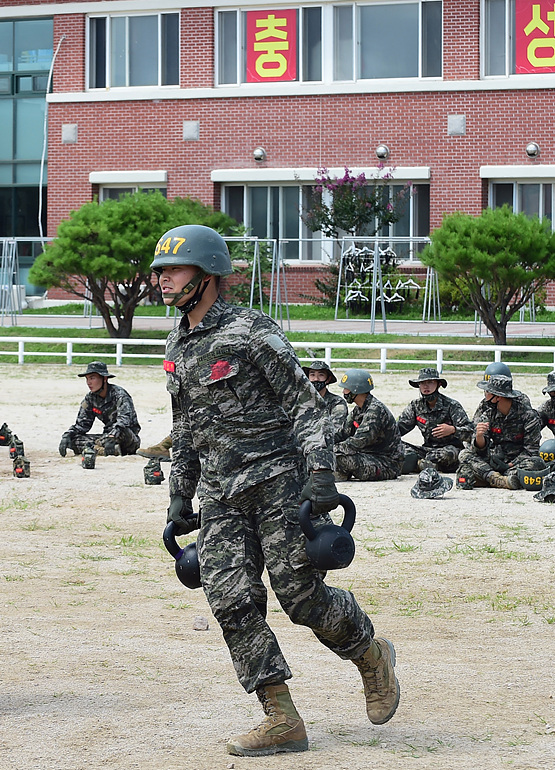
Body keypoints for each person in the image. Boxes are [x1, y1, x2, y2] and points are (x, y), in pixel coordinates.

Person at [155, 224, 398, 757]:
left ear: (207, 277)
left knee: (300, 597)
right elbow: (186, 426)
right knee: (230, 599)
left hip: (278, 483)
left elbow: (305, 407)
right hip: (221, 493)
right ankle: (280, 715)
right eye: (161, 270)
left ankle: (369, 654)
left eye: (174, 269)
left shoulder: (251, 331)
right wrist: (181, 493)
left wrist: (321, 473)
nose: (163, 278)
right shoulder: (176, 343)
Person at [458, 373, 542, 490]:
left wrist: (509, 465)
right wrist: (479, 436)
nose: (485, 397)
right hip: (494, 459)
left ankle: (487, 477)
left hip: (516, 461)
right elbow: (479, 450)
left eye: (488, 393)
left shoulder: (528, 416)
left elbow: (531, 451)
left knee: (537, 463)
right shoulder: (488, 414)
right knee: (464, 455)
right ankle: (495, 478)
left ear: (498, 397)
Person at [58, 361, 141, 457]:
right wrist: (67, 435)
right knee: (74, 440)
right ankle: (104, 450)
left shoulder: (120, 395)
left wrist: (112, 436)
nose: (89, 382)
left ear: (104, 378)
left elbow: (124, 421)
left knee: (122, 431)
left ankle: (98, 448)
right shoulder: (90, 398)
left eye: (92, 378)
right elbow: (82, 424)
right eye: (87, 379)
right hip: (106, 437)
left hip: (126, 438)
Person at [397, 367, 472, 473]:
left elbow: (470, 432)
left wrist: (453, 430)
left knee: (448, 454)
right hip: (427, 450)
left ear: (439, 384)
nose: (426, 386)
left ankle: (419, 464)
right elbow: (399, 428)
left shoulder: (452, 405)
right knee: (398, 446)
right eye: (422, 383)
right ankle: (422, 464)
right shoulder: (415, 406)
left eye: (430, 382)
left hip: (449, 450)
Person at [333, 369, 403, 482]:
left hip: (387, 464)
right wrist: (323, 443)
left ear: (356, 389)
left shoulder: (375, 410)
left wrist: (331, 449)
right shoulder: (358, 410)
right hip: (368, 456)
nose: (344, 392)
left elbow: (358, 442)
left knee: (341, 458)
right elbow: (342, 433)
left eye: (346, 388)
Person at [304, 359, 350, 443]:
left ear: (328, 379)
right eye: (312, 375)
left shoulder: (337, 403)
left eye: (321, 375)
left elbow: (336, 431)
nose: (316, 379)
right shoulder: (301, 401)